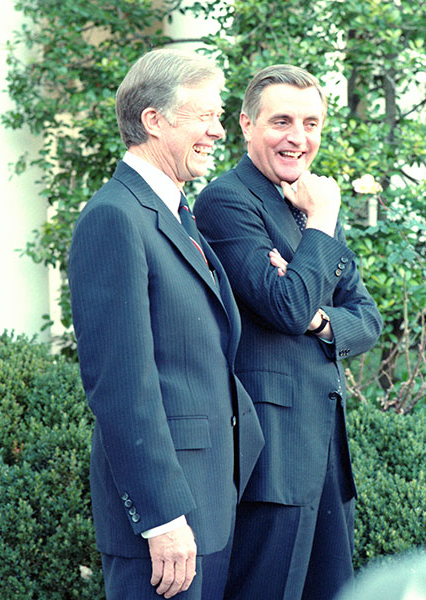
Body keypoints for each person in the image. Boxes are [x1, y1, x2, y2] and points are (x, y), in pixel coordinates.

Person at [68, 48, 264, 600]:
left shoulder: (180, 216)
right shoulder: (114, 217)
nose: (217, 131)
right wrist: (161, 518)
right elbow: (121, 386)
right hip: (166, 527)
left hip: (210, 508)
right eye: (204, 116)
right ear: (153, 121)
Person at [194, 64, 383, 600]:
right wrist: (322, 226)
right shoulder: (227, 201)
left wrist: (321, 319)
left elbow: (365, 318)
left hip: (326, 452)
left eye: (311, 123)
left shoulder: (309, 201)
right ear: (246, 124)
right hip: (271, 455)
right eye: (281, 121)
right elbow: (284, 305)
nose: (298, 138)